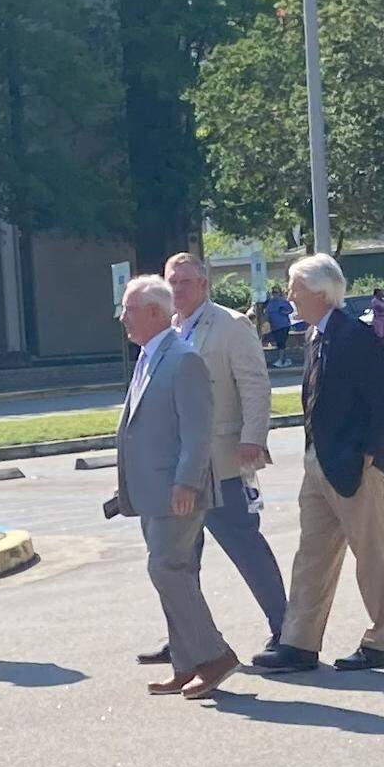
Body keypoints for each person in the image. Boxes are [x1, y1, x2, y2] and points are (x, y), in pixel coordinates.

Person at [253, 253, 384, 673]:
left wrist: (371, 458)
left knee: (370, 554)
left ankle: (382, 641)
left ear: (319, 292)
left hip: (355, 465)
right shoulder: (316, 336)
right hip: (318, 462)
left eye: (295, 288)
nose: (289, 296)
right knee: (311, 555)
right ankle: (299, 643)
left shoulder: (354, 336)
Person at [132, 253, 285, 664]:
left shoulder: (230, 325)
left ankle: (286, 628)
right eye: (170, 281)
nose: (176, 289)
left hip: (222, 461)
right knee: (179, 560)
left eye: (184, 282)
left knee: (244, 545)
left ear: (203, 285)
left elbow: (254, 385)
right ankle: (186, 640)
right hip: (178, 466)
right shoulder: (169, 331)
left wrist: (253, 438)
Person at [115, 275, 239, 699]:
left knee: (166, 569)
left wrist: (186, 482)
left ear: (153, 313)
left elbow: (197, 431)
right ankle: (187, 664)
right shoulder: (150, 356)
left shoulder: (183, 359)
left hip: (177, 492)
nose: (122, 318)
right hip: (152, 493)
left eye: (128, 310)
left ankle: (215, 655)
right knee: (174, 573)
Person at [263, 286, 295, 367]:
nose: (275, 295)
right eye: (273, 293)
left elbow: (291, 310)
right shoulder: (270, 303)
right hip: (275, 326)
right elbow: (267, 314)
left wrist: (284, 311)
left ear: (279, 293)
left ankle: (281, 360)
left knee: (281, 343)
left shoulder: (283, 301)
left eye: (276, 293)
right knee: (278, 343)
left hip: (283, 325)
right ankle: (284, 360)